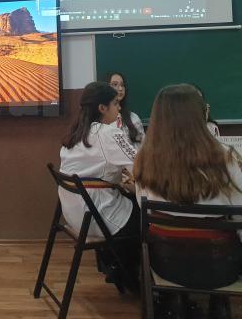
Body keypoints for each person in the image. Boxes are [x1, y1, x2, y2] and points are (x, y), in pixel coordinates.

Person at [134, 84, 242, 315]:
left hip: (165, 266)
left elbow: (142, 208)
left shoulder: (144, 162)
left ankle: (177, 302)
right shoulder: (226, 158)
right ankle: (217, 304)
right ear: (201, 115)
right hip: (221, 268)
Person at [60, 81, 139, 284]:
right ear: (102, 108)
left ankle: (115, 266)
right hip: (99, 217)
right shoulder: (108, 133)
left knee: (129, 196)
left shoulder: (74, 133)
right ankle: (135, 279)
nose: (119, 107)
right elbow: (142, 167)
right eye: (115, 103)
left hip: (75, 216)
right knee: (148, 217)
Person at [107, 72, 145, 149]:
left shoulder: (133, 117)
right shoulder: (101, 120)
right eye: (115, 85)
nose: (120, 89)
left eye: (122, 85)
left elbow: (143, 146)